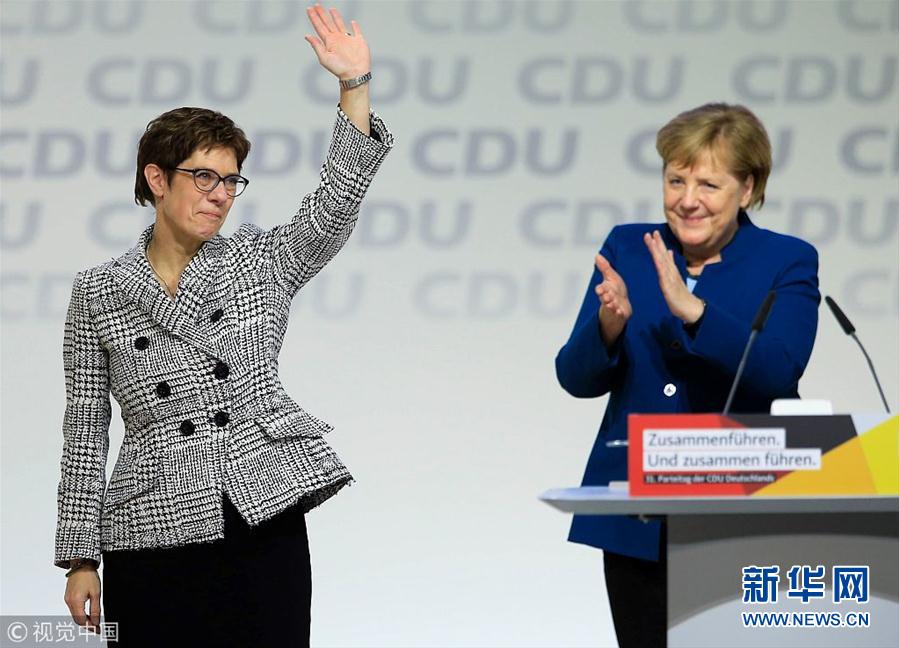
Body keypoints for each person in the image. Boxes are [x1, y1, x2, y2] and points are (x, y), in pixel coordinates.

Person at [55, 5, 392, 647]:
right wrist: (79, 558)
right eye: (204, 176)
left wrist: (354, 85)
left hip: (256, 508)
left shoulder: (261, 261)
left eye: (232, 181)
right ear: (157, 179)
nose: (220, 194)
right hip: (149, 522)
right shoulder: (98, 290)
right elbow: (84, 430)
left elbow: (335, 203)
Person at [555, 102, 820, 647]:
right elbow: (575, 378)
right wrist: (608, 325)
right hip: (637, 516)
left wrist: (694, 311)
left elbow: (778, 369)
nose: (687, 199)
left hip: (741, 514)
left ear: (747, 189)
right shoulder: (628, 247)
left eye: (708, 184)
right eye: (676, 180)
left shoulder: (786, 260)